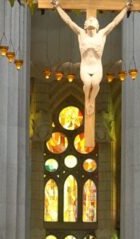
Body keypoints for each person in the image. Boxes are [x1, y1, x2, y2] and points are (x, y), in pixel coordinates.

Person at [53, 0, 130, 148]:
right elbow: (69, 22)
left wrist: (126, 8)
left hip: (97, 67)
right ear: (85, 27)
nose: (90, 28)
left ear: (97, 26)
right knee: (87, 84)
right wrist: (57, 7)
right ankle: (88, 103)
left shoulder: (102, 35)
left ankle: (90, 102)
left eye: (92, 25)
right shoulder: (81, 34)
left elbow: (114, 23)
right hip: (85, 66)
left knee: (95, 85)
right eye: (88, 26)